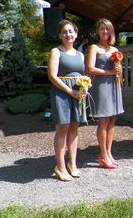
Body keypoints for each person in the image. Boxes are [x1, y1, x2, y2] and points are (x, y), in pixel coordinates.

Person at [48, 20, 85, 181]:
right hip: (62, 93)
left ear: (76, 34)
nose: (68, 34)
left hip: (77, 94)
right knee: (62, 128)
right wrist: (70, 91)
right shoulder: (56, 52)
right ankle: (60, 166)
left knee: (74, 128)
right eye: (64, 32)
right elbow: (52, 76)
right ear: (60, 35)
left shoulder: (81, 54)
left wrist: (84, 88)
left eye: (71, 31)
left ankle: (73, 164)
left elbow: (82, 75)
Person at [87, 18, 124, 169]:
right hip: (101, 86)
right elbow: (90, 68)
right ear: (98, 31)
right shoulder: (94, 48)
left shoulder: (115, 50)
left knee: (112, 120)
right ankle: (102, 154)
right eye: (102, 29)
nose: (105, 32)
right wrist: (108, 72)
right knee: (103, 120)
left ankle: (109, 152)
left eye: (107, 29)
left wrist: (119, 76)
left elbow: (119, 69)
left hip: (114, 86)